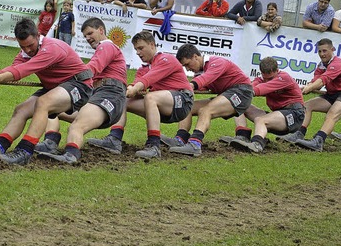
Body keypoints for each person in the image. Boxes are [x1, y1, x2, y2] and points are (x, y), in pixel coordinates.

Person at [0, 18, 93, 166]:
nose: (28, 50)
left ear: (38, 36)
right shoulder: (25, 52)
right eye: (23, 47)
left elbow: (24, 70)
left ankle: (25, 151)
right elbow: (15, 67)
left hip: (79, 86)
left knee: (44, 103)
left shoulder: (52, 48)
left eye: (30, 45)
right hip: (55, 87)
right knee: (21, 109)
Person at [87, 31, 194, 159]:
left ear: (152, 45)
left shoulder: (166, 59)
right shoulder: (143, 68)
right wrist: (128, 91)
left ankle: (153, 146)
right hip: (165, 107)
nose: (138, 52)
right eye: (136, 49)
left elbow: (146, 80)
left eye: (141, 48)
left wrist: (136, 88)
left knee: (151, 97)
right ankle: (114, 140)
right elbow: (135, 85)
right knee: (123, 100)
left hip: (183, 101)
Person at [36, 18, 128, 164]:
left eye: (90, 33)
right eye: (85, 36)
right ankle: (50, 142)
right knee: (52, 109)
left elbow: (92, 68)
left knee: (77, 126)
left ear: (101, 30)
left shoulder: (107, 46)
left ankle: (71, 155)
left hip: (109, 95)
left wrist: (68, 79)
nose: (88, 38)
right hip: (97, 95)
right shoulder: (103, 49)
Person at [169, 44, 253, 156]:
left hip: (241, 92)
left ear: (195, 56)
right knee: (188, 106)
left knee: (205, 110)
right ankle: (180, 139)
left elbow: (205, 78)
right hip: (226, 94)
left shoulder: (216, 62)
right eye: (184, 66)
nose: (187, 69)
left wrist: (191, 85)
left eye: (187, 64)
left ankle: (194, 144)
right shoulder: (200, 72)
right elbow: (200, 84)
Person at [278, 38, 341, 151]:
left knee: (332, 113)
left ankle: (319, 141)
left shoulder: (338, 63)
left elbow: (322, 81)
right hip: (333, 94)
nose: (322, 54)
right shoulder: (321, 66)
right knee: (306, 106)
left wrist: (308, 88)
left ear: (333, 50)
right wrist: (305, 87)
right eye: (319, 51)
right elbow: (315, 82)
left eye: (325, 51)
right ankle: (298, 134)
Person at [227, 57, 305, 153]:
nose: (268, 80)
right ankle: (242, 135)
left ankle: (257, 144)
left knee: (260, 120)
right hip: (279, 114)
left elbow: (262, 88)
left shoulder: (284, 77)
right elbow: (249, 87)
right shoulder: (261, 79)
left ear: (277, 70)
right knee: (239, 104)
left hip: (294, 114)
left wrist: (244, 91)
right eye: (265, 78)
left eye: (271, 78)